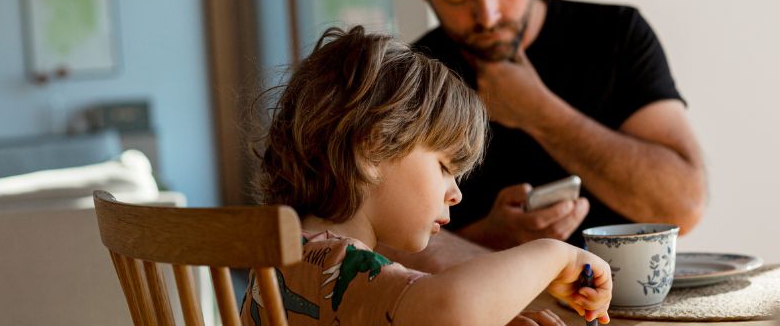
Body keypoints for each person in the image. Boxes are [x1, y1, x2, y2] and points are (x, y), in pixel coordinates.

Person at [242, 26, 612, 326]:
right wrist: (555, 256)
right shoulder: (335, 264)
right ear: (373, 148)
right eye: (445, 167)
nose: (455, 194)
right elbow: (451, 310)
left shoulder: (285, 257)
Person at [394, 0, 708, 267]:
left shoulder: (616, 34)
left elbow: (684, 206)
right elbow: (377, 250)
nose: (488, 16)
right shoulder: (408, 81)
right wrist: (491, 238)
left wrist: (539, 112)